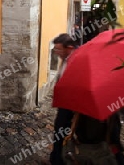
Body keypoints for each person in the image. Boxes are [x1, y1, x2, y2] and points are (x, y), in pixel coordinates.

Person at [49, 33, 78, 165]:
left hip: (71, 106)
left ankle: (58, 161)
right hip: (64, 104)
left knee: (62, 133)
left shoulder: (76, 61)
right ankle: (55, 158)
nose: (56, 52)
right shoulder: (67, 58)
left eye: (59, 49)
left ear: (69, 48)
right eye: (55, 49)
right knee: (58, 132)